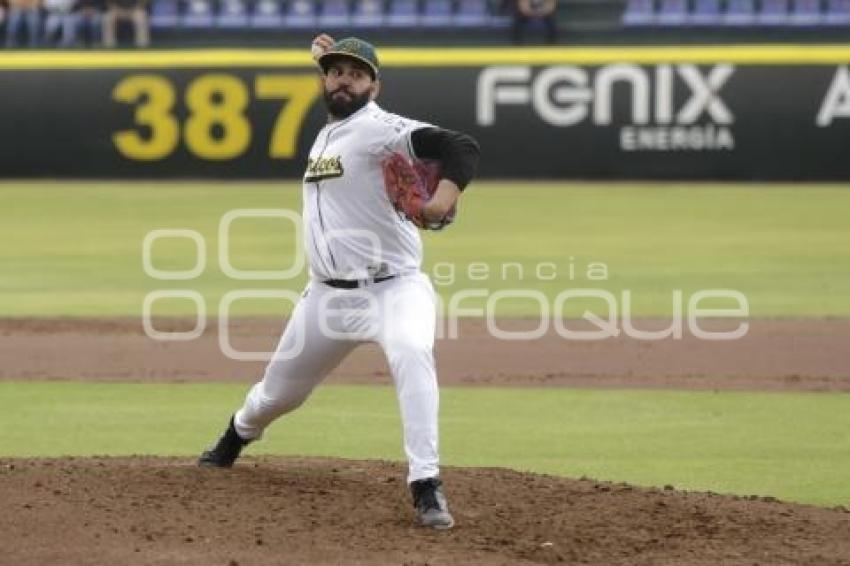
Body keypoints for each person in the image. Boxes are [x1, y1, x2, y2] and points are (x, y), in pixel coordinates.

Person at [197, 35, 480, 531]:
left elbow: (460, 145)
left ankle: (425, 483)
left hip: (394, 289)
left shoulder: (381, 128)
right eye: (335, 71)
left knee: (412, 353)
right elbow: (338, 100)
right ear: (323, 79)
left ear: (375, 84)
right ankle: (237, 435)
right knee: (278, 395)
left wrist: (441, 200)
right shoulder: (331, 131)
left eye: (356, 72)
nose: (343, 79)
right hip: (326, 297)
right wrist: (322, 61)